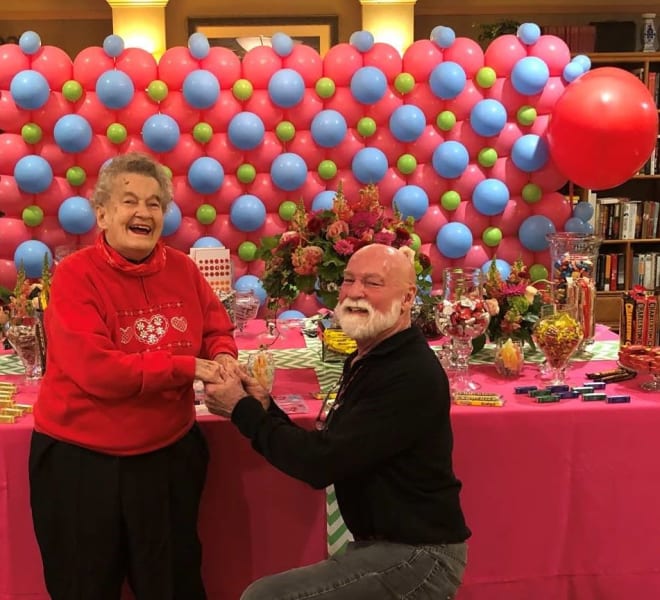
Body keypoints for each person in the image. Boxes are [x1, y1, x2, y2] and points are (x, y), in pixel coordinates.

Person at [204, 243, 470, 600]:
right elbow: (328, 447)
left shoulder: (409, 374)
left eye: (373, 283)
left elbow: (318, 464)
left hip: (419, 555)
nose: (356, 292)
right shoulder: (373, 357)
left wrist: (241, 410)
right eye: (348, 280)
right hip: (387, 547)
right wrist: (263, 406)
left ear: (407, 298)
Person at [29, 152, 238, 600]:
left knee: (173, 582)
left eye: (154, 203)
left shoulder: (184, 269)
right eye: (129, 201)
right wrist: (186, 367)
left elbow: (216, 327)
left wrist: (223, 358)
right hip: (83, 463)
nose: (143, 212)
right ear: (101, 214)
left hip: (168, 456)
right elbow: (97, 370)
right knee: (84, 585)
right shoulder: (73, 276)